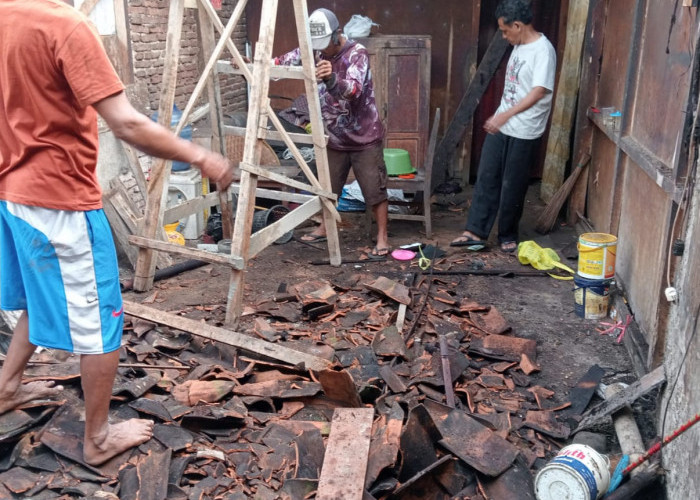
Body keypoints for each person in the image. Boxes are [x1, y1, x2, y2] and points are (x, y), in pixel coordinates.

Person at [0, 0, 233, 466]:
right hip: (58, 200)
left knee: (33, 294)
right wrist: (200, 156)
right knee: (100, 323)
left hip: (13, 192)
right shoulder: (66, 25)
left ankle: (5, 390)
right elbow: (125, 122)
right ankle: (98, 437)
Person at [273, 8, 390, 259]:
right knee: (328, 188)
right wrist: (262, 65)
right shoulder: (315, 50)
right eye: (318, 46)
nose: (322, 51)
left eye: (326, 44)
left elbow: (354, 90)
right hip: (335, 136)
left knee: (375, 189)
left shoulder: (357, 54)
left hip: (364, 136)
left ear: (338, 35)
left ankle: (382, 237)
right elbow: (289, 58)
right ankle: (326, 226)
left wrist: (331, 79)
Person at [450, 0, 556, 253]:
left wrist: (506, 114)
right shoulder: (518, 45)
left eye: (506, 31)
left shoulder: (543, 50)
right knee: (487, 177)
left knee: (513, 184)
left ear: (518, 25)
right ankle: (474, 231)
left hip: (525, 128)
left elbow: (539, 91)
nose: (504, 36)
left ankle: (507, 234)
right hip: (504, 122)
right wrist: (502, 116)